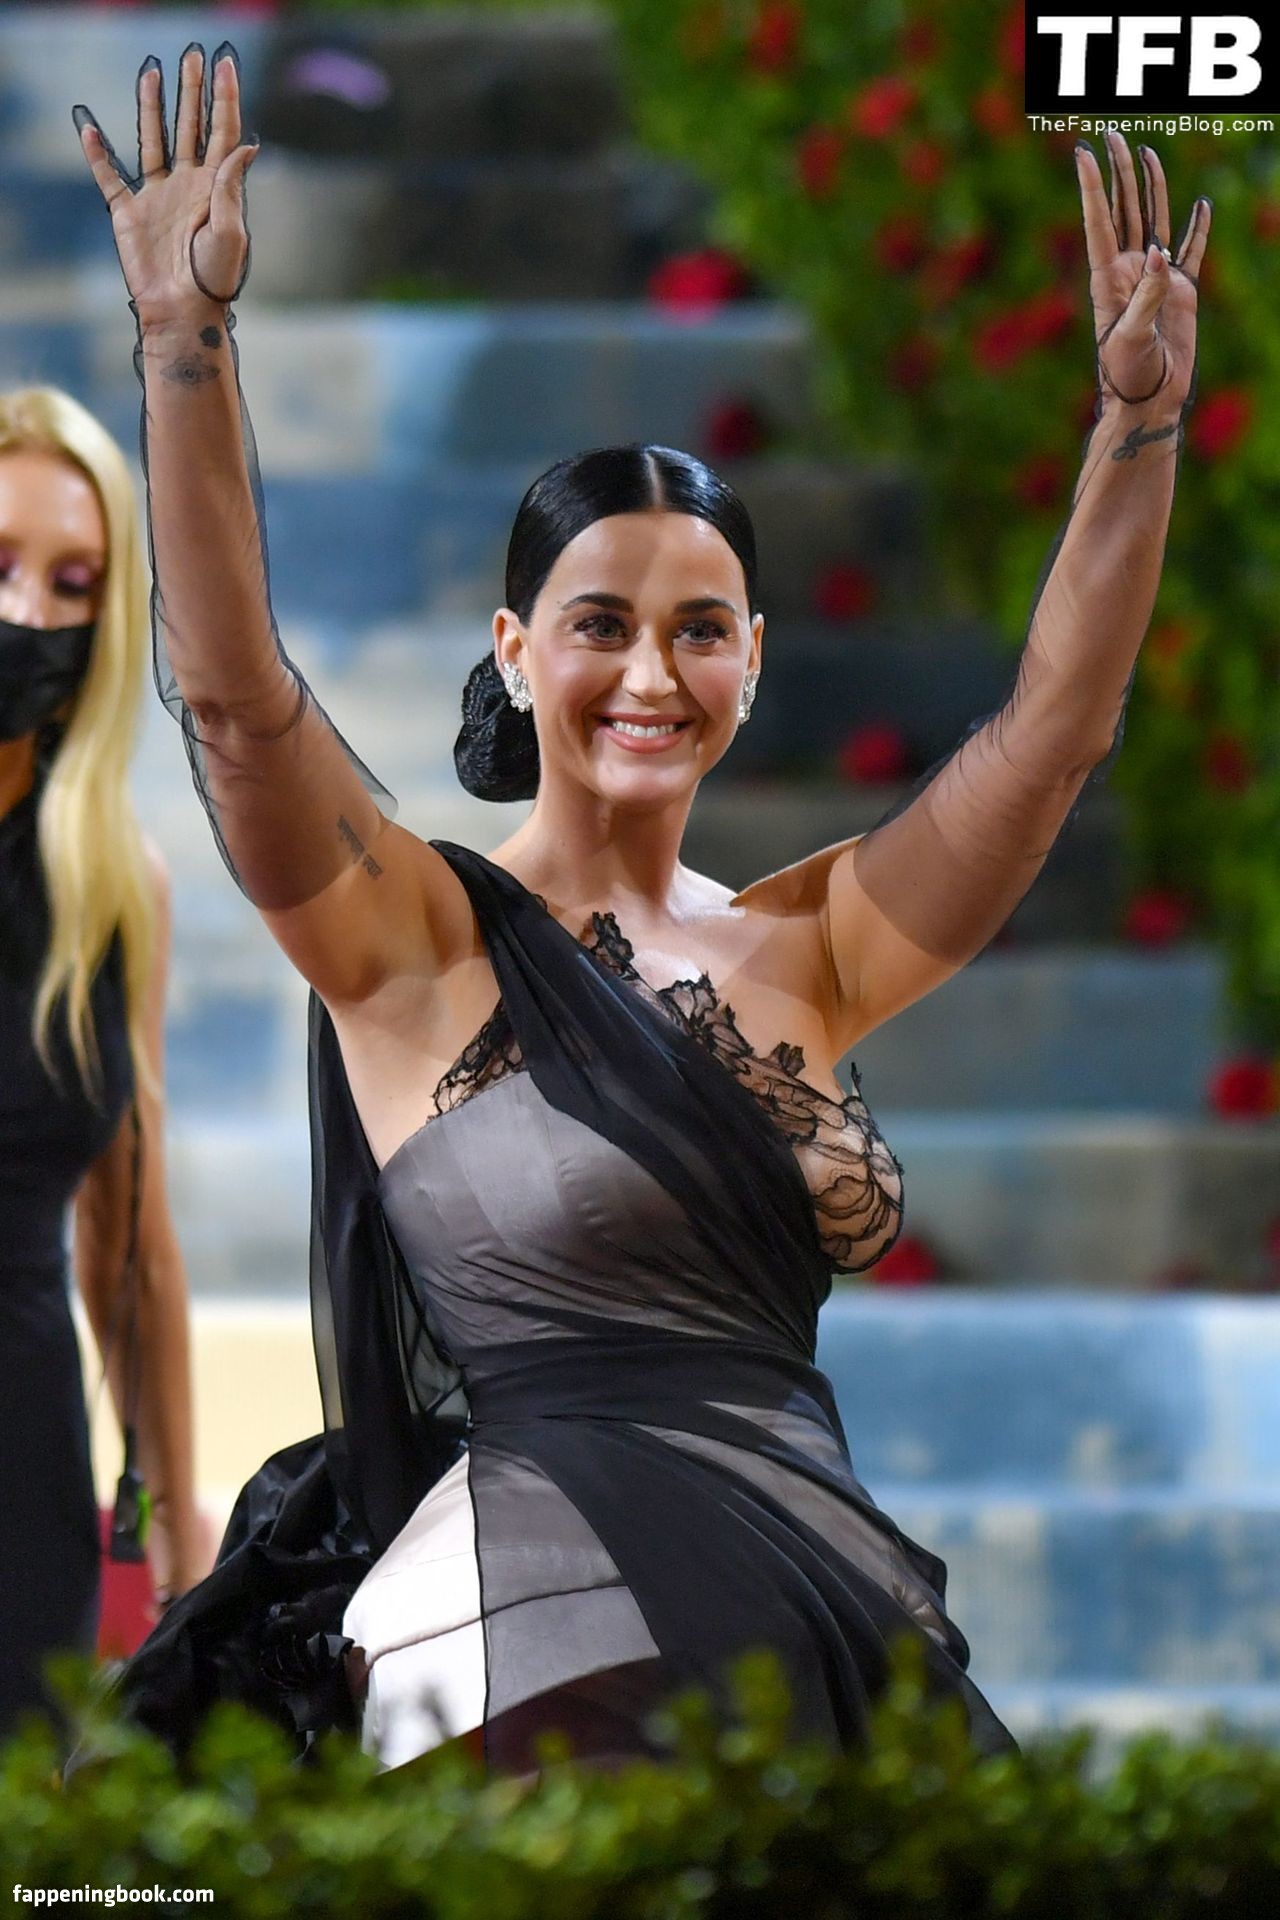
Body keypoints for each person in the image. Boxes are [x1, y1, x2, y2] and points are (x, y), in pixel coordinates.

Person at [76, 47, 1209, 1774]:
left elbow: (1052, 738)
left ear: (754, 659)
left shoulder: (816, 945)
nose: (652, 673)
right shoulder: (412, 940)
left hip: (825, 1607)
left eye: (701, 628)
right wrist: (184, 342)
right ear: (516, 650)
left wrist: (1137, 429)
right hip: (543, 1622)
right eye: (600, 623)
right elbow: (231, 705)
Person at [0, 385, 206, 1739]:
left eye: (73, 583)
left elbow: (129, 1243)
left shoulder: (110, 886)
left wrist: (179, 1523)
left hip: (21, 1482)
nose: (27, 614)